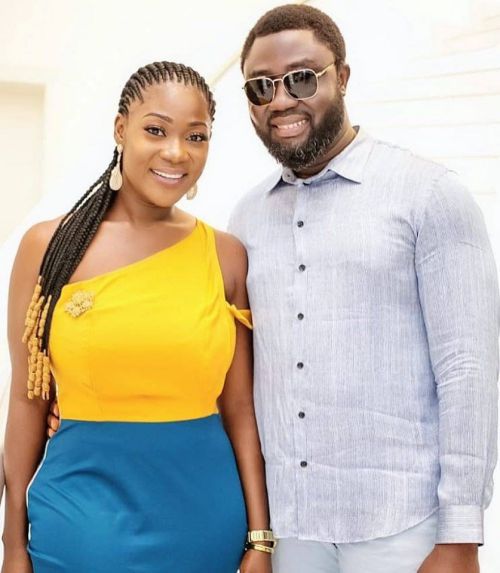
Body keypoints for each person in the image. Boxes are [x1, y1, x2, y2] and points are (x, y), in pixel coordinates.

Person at [226, 4, 498, 573]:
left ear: (342, 77)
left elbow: (468, 370)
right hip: (291, 529)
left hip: (402, 527)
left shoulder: (429, 194)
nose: (281, 100)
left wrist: (461, 534)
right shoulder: (247, 218)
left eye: (302, 78)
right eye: (260, 87)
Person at [2, 61, 273, 573]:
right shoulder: (48, 248)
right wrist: (12, 544)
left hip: (203, 523)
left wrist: (260, 540)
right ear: (120, 129)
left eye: (196, 136)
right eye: (156, 130)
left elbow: (240, 409)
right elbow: (26, 399)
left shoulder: (225, 256)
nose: (177, 152)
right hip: (79, 526)